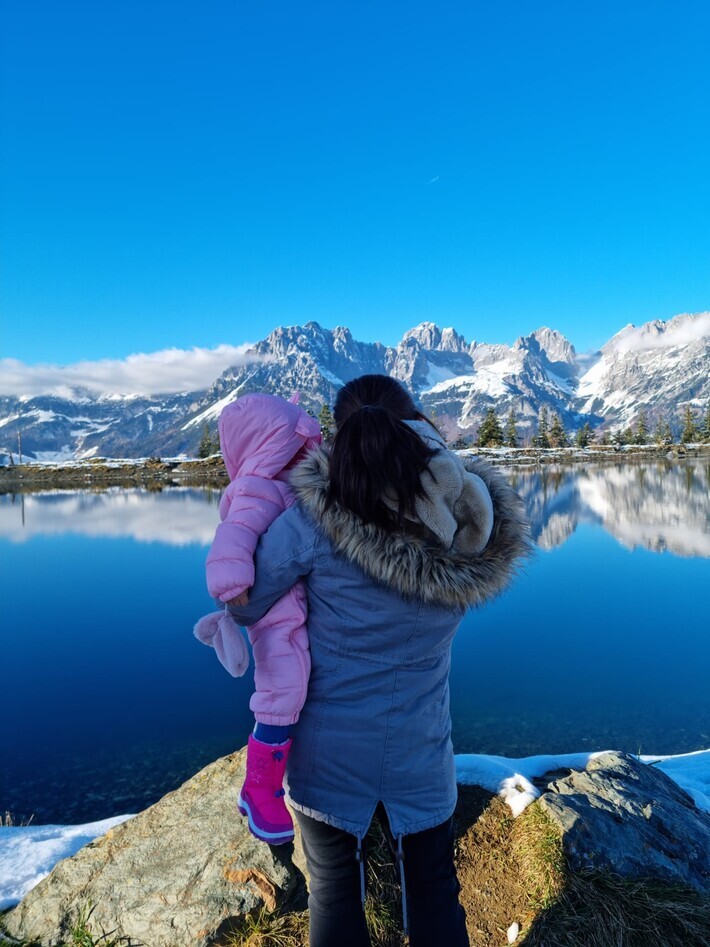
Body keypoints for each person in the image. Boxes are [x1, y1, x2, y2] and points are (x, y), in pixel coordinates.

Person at [227, 374, 529, 947]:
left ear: (340, 433)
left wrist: (246, 516)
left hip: (327, 750)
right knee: (436, 889)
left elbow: (244, 607)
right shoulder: (465, 522)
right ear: (416, 426)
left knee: (334, 891)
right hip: (421, 743)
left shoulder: (310, 518)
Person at [194, 392, 322, 844]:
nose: (303, 452)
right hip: (275, 616)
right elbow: (232, 537)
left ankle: (281, 771)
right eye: (292, 446)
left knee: (300, 686)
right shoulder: (258, 488)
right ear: (269, 447)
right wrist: (231, 585)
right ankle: (259, 789)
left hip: (293, 607)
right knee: (281, 689)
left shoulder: (286, 483)